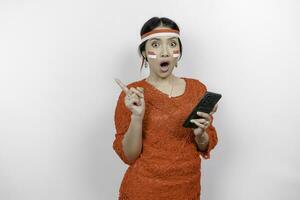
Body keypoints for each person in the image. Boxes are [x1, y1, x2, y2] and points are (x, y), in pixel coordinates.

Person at [112, 17, 219, 200]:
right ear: (144, 53)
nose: (164, 52)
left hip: (187, 190)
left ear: (178, 52)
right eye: (155, 44)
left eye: (171, 44)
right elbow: (129, 156)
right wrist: (137, 117)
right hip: (144, 191)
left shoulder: (197, 89)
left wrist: (201, 134)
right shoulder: (132, 95)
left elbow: (204, 145)